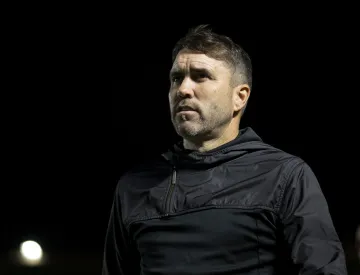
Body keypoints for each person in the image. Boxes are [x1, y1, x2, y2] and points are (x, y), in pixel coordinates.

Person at [103, 24, 347, 275]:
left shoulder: (284, 176)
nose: (183, 89)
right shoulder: (134, 185)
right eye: (176, 78)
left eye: (201, 76)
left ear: (239, 97)